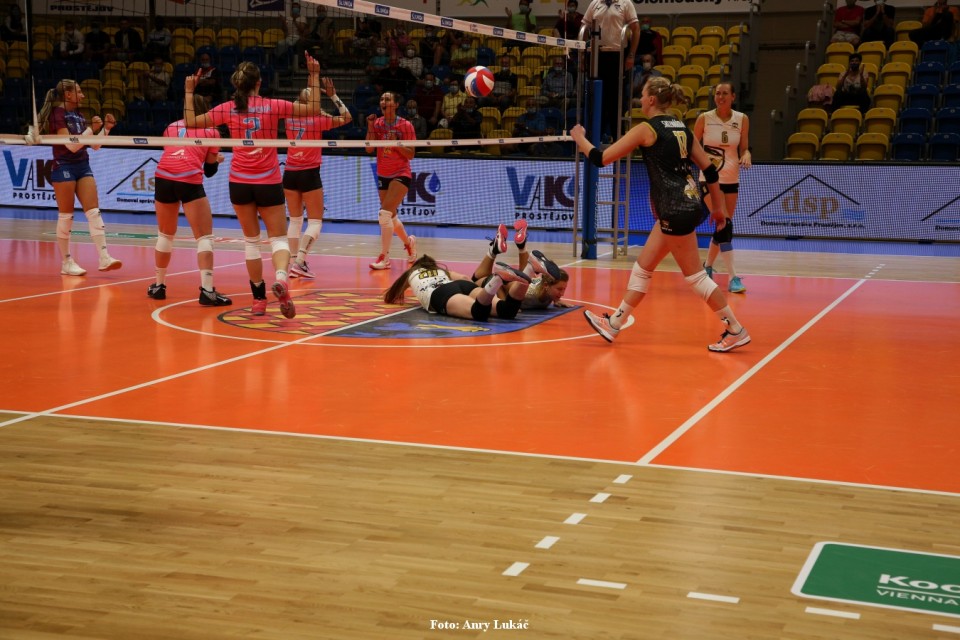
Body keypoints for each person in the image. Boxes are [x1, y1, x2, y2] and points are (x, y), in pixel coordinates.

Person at [570, 76, 750, 352]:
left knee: (696, 277)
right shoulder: (682, 128)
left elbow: (601, 159)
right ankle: (614, 323)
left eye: (643, 95)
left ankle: (735, 329)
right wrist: (717, 209)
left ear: (652, 99)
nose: (640, 100)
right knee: (643, 267)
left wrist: (579, 137)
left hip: (674, 210)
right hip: (688, 204)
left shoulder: (646, 129)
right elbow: (710, 171)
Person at [183, 55, 321, 318]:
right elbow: (313, 109)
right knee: (278, 238)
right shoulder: (273, 105)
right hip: (268, 181)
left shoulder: (227, 108)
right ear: (259, 82)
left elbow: (191, 123)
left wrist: (189, 91)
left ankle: (259, 300)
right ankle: (281, 279)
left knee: (251, 242)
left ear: (237, 84)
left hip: (239, 182)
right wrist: (314, 75)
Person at [149, 95, 230, 306]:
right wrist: (216, 160)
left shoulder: (171, 127)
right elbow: (209, 171)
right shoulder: (212, 132)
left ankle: (158, 286)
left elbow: (172, 153)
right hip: (188, 179)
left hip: (163, 177)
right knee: (204, 237)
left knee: (165, 234)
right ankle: (207, 291)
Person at [35, 79, 121, 276]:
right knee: (66, 216)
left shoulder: (79, 115)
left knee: (94, 212)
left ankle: (104, 257)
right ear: (68, 94)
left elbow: (95, 145)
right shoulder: (57, 114)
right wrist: (91, 128)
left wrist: (106, 129)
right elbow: (72, 145)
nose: (82, 95)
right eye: (79, 92)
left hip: (82, 166)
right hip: (63, 166)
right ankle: (66, 262)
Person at [283, 77, 353, 279]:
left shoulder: (289, 118)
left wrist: (312, 97)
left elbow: (300, 105)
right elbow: (347, 117)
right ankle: (299, 261)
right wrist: (333, 95)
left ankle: (294, 263)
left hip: (290, 172)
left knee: (295, 220)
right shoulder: (318, 120)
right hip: (309, 172)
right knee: (315, 222)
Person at [693, 81, 751, 295]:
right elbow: (692, 145)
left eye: (725, 93)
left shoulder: (742, 119)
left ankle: (707, 267)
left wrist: (747, 154)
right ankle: (733, 277)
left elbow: (744, 148)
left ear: (733, 96)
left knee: (723, 226)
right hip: (709, 179)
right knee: (724, 224)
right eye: (718, 93)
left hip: (732, 177)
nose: (720, 97)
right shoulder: (704, 118)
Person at [383, 253, 532, 321]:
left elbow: (391, 295)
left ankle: (497, 279)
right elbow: (465, 278)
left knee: (479, 313)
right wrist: (478, 292)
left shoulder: (412, 273)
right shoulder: (441, 271)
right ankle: (531, 268)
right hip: (461, 285)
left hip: (440, 293)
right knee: (507, 311)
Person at [366, 91, 418, 270]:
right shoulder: (378, 124)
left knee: (384, 214)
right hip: (383, 174)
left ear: (396, 104)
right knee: (391, 216)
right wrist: (370, 126)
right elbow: (369, 149)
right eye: (381, 99)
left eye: (387, 99)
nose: (383, 101)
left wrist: (397, 143)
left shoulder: (405, 125)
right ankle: (409, 243)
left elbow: (411, 155)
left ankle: (384, 257)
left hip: (401, 173)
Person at [474, 222, 571, 311]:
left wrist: (556, 299)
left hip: (524, 283)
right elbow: (500, 281)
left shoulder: (547, 290)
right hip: (490, 281)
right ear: (546, 286)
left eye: (564, 289)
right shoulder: (528, 293)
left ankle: (519, 246)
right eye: (559, 289)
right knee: (474, 282)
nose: (562, 294)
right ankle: (509, 248)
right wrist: (503, 302)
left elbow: (549, 286)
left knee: (526, 277)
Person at [581, 0, 640, 142]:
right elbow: (584, 27)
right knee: (595, 97)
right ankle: (595, 139)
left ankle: (618, 137)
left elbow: (636, 29)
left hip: (617, 54)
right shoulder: (595, 3)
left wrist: (631, 55)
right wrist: (583, 53)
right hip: (596, 54)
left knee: (614, 99)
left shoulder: (626, 3)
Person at [276, 1, 308, 70]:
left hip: (297, 37)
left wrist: (294, 20)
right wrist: (283, 22)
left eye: (297, 8)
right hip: (288, 37)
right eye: (294, 8)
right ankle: (279, 59)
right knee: (279, 43)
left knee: (289, 43)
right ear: (292, 9)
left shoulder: (302, 18)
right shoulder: (288, 18)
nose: (295, 9)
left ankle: (289, 61)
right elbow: (284, 29)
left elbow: (302, 29)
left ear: (299, 9)